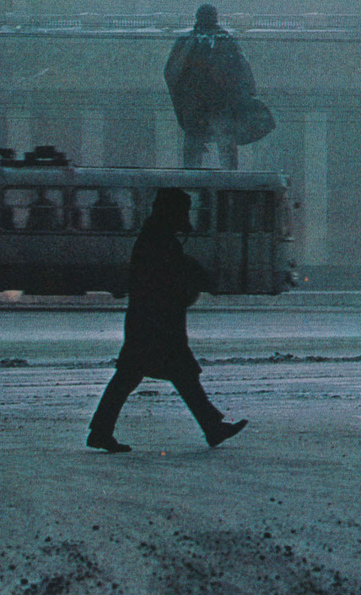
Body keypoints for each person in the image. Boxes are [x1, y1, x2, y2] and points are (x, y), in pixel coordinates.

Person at [87, 188, 247, 453]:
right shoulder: (160, 239)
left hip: (150, 321)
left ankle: (101, 431)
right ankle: (212, 427)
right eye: (182, 211)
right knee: (176, 374)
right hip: (157, 323)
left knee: (140, 375)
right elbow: (170, 273)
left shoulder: (156, 235)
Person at [164, 3, 273, 170]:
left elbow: (171, 73)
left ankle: (192, 180)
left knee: (195, 145)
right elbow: (244, 74)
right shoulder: (226, 41)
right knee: (225, 144)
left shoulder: (187, 42)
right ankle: (227, 180)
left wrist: (184, 97)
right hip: (219, 106)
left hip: (197, 106)